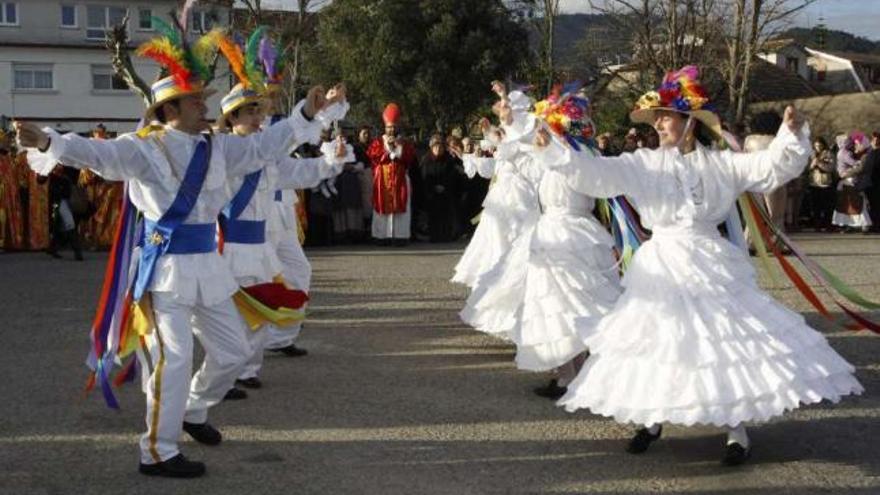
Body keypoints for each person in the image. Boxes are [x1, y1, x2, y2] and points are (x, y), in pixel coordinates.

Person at [16, 27, 346, 477]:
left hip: (208, 269)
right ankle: (157, 450)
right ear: (169, 109)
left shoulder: (217, 148)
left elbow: (264, 146)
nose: (204, 105)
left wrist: (306, 113)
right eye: (195, 100)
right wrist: (48, 141)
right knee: (173, 361)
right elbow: (98, 154)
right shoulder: (143, 149)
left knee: (232, 352)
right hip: (164, 273)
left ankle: (193, 410)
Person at [544, 65, 862, 466]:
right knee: (660, 341)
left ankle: (735, 430)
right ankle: (653, 418)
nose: (659, 123)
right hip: (661, 266)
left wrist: (791, 134)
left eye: (666, 116)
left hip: (710, 261)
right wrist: (553, 150)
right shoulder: (641, 163)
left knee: (720, 343)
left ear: (689, 122)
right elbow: (595, 174)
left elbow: (768, 170)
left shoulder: (721, 164)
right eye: (656, 117)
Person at [460, 83, 622, 399]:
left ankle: (584, 375)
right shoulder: (552, 154)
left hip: (574, 236)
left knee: (576, 307)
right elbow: (523, 142)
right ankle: (567, 376)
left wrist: (511, 120)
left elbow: (538, 142)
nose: (544, 133)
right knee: (555, 309)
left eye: (551, 126)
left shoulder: (577, 157)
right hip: (552, 235)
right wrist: (506, 121)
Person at [367, 103, 417, 246]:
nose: (391, 129)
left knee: (401, 208)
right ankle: (381, 237)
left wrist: (397, 147)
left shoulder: (404, 143)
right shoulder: (378, 142)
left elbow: (409, 157)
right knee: (381, 208)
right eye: (389, 127)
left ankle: (400, 237)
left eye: (393, 127)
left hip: (400, 180)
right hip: (382, 180)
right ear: (385, 128)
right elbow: (373, 156)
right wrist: (387, 148)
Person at [419, 134, 465, 242]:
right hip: (431, 193)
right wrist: (434, 187)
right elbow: (424, 177)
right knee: (433, 215)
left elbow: (452, 176)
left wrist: (444, 186)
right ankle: (434, 236)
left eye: (440, 147)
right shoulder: (426, 160)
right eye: (435, 147)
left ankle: (446, 236)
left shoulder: (448, 160)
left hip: (446, 192)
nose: (438, 149)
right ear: (431, 148)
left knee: (446, 215)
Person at [832, 133, 872, 232]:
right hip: (849, 180)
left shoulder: (847, 152)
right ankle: (856, 224)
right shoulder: (844, 153)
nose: (851, 143)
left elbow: (858, 167)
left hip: (850, 180)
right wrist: (857, 164)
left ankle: (857, 224)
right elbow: (854, 164)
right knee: (852, 203)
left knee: (854, 203)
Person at [805, 137, 836, 231]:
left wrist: (819, 163)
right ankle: (816, 225)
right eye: (816, 145)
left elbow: (831, 168)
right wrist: (812, 165)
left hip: (825, 183)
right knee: (815, 206)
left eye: (820, 145)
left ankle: (828, 225)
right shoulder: (811, 155)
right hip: (814, 183)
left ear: (823, 144)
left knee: (827, 206)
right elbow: (807, 168)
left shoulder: (828, 154)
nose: (818, 147)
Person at [866, 132, 880, 231]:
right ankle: (874, 224)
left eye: (877, 139)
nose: (875, 141)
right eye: (873, 139)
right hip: (870, 183)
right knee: (872, 204)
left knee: (877, 204)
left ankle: (877, 225)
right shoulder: (870, 152)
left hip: (878, 182)